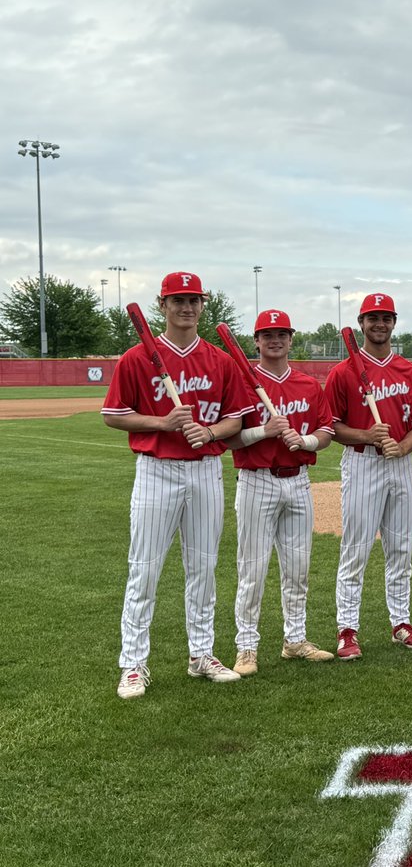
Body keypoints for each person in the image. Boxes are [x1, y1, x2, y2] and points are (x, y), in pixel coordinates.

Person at [101, 271, 254, 699]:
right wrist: (161, 423)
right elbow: (114, 414)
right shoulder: (137, 357)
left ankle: (201, 654)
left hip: (205, 469)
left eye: (194, 300)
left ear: (203, 305)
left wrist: (209, 433)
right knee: (145, 569)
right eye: (178, 300)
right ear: (162, 305)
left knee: (203, 568)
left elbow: (236, 419)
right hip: (157, 469)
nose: (186, 307)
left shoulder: (220, 360)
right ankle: (133, 664)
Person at [225, 309, 336, 676]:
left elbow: (326, 432)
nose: (275, 340)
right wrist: (263, 432)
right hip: (257, 479)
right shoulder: (241, 381)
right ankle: (246, 647)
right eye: (267, 334)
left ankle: (295, 640)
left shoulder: (307, 384)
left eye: (282, 334)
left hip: (299, 479)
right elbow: (228, 438)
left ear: (291, 339)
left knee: (298, 568)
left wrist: (304, 440)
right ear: (256, 341)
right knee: (253, 569)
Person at [326, 293, 412, 660]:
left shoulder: (409, 371)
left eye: (385, 318)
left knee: (401, 548)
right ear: (361, 324)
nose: (379, 324)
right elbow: (332, 426)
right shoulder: (344, 372)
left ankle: (401, 622)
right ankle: (347, 629)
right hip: (362, 463)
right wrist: (366, 436)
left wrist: (403, 447)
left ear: (394, 322)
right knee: (356, 548)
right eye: (372, 318)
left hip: (399, 464)